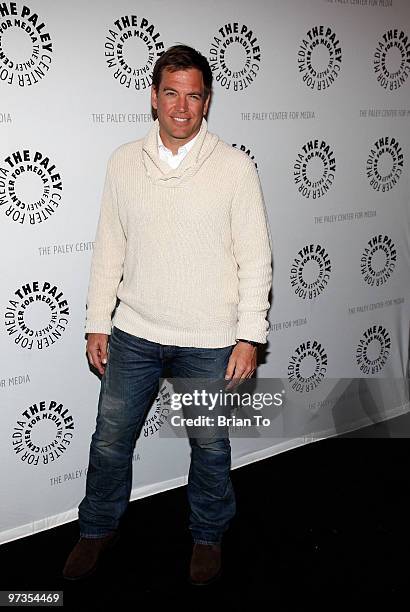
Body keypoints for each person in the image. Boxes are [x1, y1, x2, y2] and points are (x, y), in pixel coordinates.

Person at [63, 44, 272, 586]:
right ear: (153, 98)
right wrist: (95, 321)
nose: (182, 106)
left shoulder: (234, 167)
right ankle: (96, 527)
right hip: (133, 332)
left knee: (209, 444)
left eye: (194, 96)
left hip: (209, 337)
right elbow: (109, 245)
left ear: (207, 103)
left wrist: (250, 336)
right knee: (110, 440)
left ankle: (207, 534)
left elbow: (256, 255)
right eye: (171, 93)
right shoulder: (123, 162)